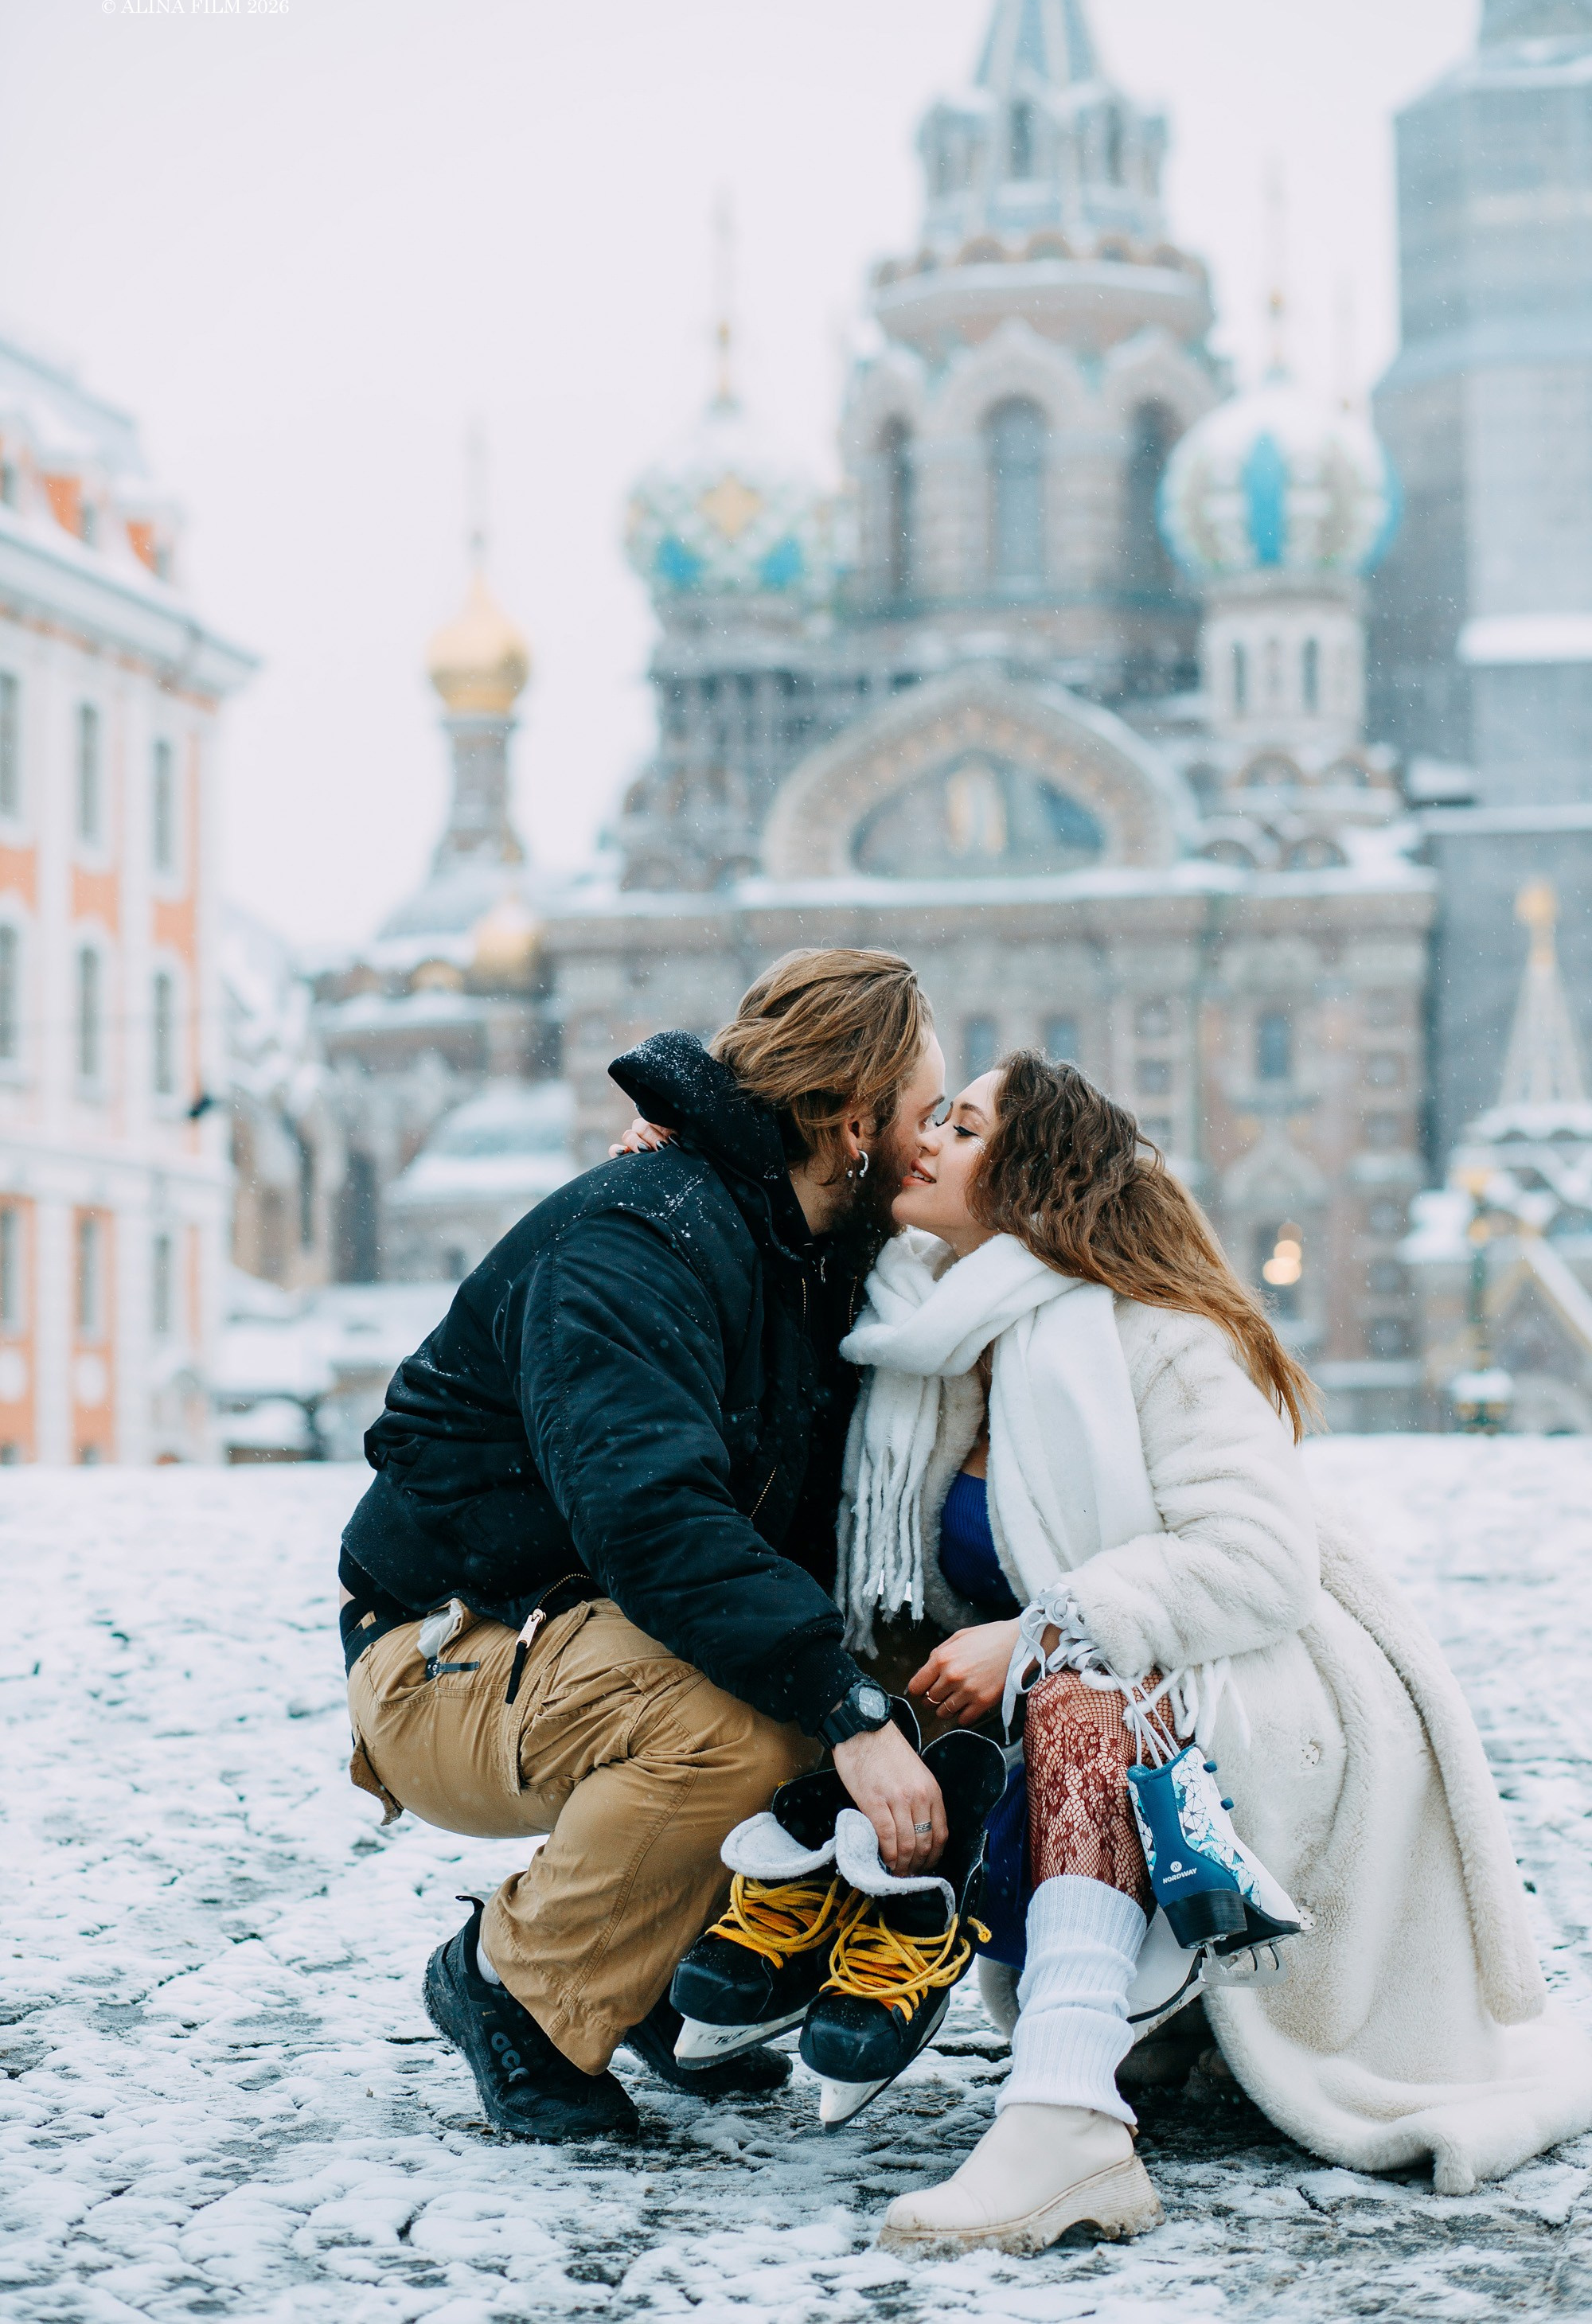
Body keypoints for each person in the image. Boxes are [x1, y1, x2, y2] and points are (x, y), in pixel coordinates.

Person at [824, 1050, 1592, 2252]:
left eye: (962, 1128)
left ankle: (1068, 2118)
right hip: (1112, 1681)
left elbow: (1256, 1559)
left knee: (1079, 1686)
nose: (926, 1142)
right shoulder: (914, 1335)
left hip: (1260, 1680)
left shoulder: (1151, 1329)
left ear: (1030, 1173)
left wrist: (1037, 1630)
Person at [338, 948, 950, 2143]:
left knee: (835, 1675)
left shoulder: (804, 1249)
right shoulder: (641, 1237)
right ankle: (515, 1987)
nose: (934, 1147)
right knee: (754, 1721)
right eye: (927, 1116)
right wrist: (849, 1716)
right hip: (448, 1650)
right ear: (849, 1119)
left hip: (588, 1637)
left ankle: (661, 1971)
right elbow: (653, 1518)